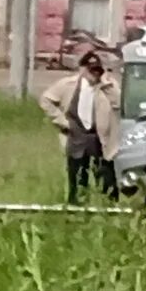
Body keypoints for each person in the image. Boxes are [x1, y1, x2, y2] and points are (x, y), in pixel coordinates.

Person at [39, 50, 122, 204]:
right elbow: (46, 100)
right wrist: (62, 121)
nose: (94, 74)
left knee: (106, 180)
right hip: (75, 138)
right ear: (82, 69)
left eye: (98, 70)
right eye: (91, 70)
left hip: (100, 140)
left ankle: (108, 208)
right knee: (77, 179)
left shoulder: (108, 86)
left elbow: (120, 104)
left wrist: (106, 84)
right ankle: (76, 208)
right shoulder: (68, 85)